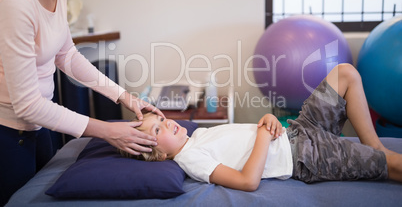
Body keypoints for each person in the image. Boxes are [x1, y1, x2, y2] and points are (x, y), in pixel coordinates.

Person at [0, 0, 164, 204]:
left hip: (42, 124)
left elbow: (67, 55)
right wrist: (109, 131)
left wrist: (125, 97)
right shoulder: (14, 0)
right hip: (9, 133)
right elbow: (27, 105)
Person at [120, 63, 402, 191]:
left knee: (345, 73)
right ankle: (379, 155)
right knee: (392, 165)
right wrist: (263, 135)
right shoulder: (190, 159)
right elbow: (247, 182)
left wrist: (267, 124)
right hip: (304, 156)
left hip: (298, 129)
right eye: (158, 131)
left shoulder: (196, 136)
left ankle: (374, 145)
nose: (166, 122)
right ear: (160, 156)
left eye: (159, 119)